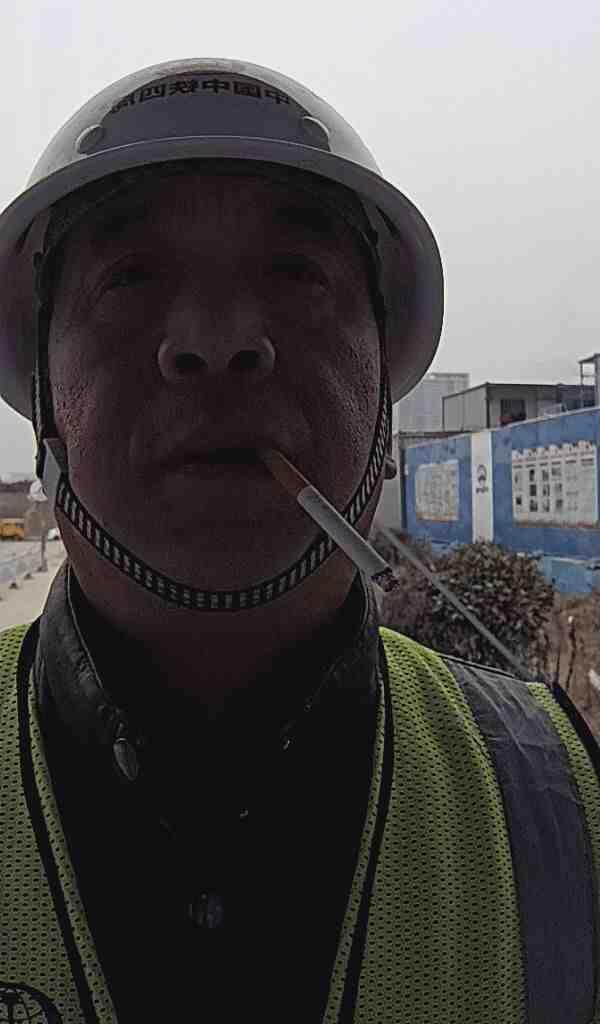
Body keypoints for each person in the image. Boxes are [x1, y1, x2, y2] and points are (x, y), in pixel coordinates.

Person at [0, 59, 598, 1024]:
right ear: (43, 401)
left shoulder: (559, 803)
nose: (216, 338)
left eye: (296, 273)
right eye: (131, 275)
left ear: (385, 402)